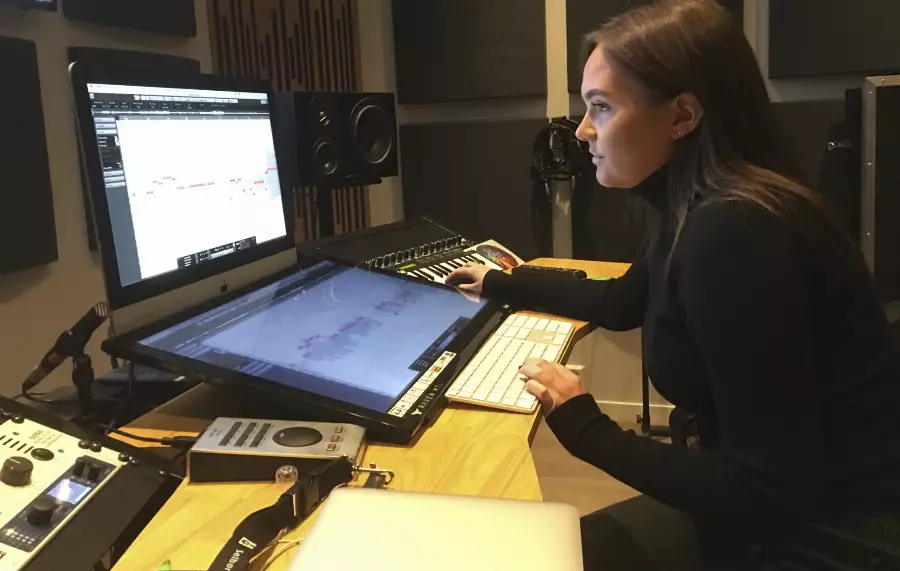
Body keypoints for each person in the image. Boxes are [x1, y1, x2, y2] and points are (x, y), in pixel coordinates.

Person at [446, 0, 900, 569]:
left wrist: (585, 427)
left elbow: (766, 489)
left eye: (601, 107)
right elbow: (620, 302)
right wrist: (504, 282)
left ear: (683, 115)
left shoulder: (734, 233)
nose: (582, 130)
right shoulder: (697, 203)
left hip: (834, 532)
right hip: (789, 506)